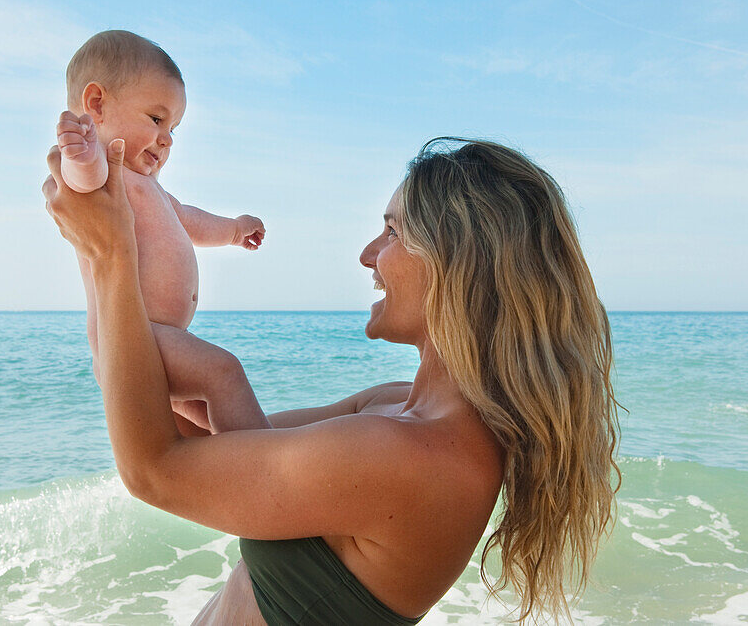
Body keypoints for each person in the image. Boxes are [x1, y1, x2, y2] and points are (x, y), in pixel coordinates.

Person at [42, 136, 622, 624]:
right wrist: (207, 367)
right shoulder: (397, 408)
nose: (369, 255)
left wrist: (109, 257)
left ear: (459, 263)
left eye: (393, 232)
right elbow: (217, 451)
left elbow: (155, 470)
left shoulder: (415, 455)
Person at [57, 30, 269, 432]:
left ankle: (229, 478)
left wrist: (234, 230)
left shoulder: (151, 190)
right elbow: (82, 183)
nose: (167, 139)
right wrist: (79, 155)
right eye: (156, 119)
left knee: (206, 427)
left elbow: (191, 220)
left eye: (174, 128)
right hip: (135, 342)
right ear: (96, 105)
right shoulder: (106, 170)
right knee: (224, 372)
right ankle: (270, 465)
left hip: (164, 339)